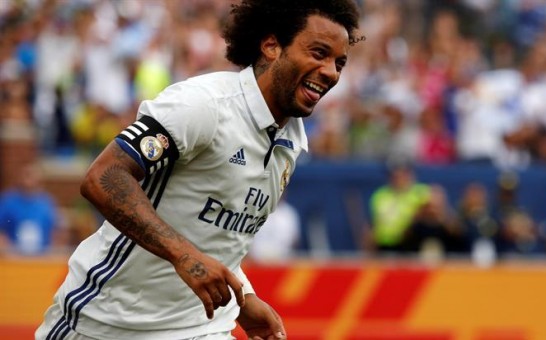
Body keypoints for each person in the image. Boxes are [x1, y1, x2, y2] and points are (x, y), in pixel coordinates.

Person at [36, 1, 362, 339]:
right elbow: (103, 177)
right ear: (271, 46)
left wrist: (244, 298)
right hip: (106, 323)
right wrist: (183, 256)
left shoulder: (291, 140)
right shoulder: (203, 105)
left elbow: (220, 233)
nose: (331, 72)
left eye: (339, 63)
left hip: (200, 327)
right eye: (319, 53)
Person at [0, 162, 61, 256]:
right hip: (14, 258)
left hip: (41, 258)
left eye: (32, 175)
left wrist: (51, 253)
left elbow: (56, 232)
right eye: (26, 175)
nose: (29, 180)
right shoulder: (8, 201)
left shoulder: (46, 202)